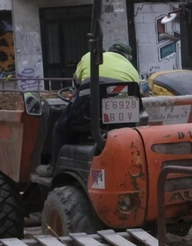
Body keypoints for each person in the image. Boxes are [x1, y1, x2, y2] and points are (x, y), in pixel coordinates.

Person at [44, 43, 142, 174]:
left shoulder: (91, 56)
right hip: (121, 118)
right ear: (127, 57)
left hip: (88, 110)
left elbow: (77, 82)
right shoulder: (132, 69)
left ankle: (53, 167)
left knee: (61, 127)